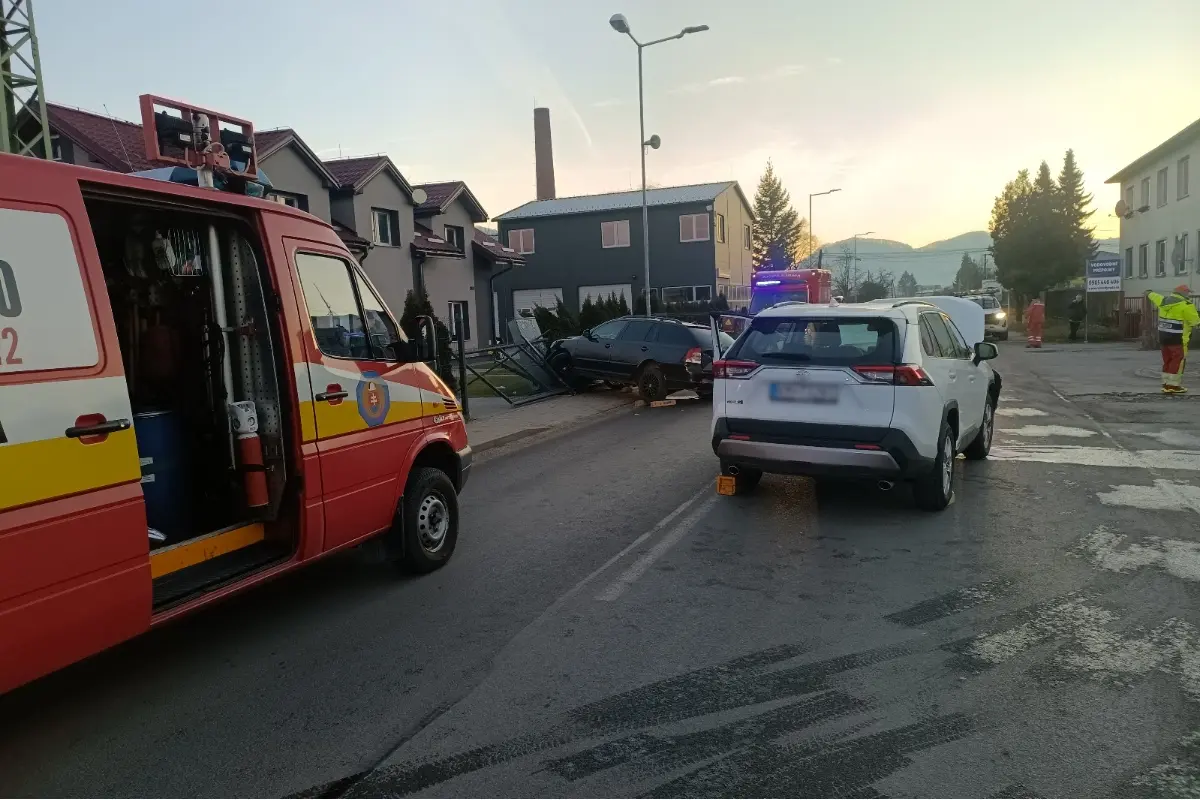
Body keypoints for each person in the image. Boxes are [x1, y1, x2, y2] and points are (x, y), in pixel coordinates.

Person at [1148, 285, 1200, 394]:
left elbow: (1153, 296)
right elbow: (1195, 322)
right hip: (1178, 338)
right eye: (1187, 293)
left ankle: (1166, 384)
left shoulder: (1163, 300)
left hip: (1163, 337)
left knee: (1168, 360)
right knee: (1178, 361)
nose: (1188, 295)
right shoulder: (1186, 305)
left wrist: (1148, 292)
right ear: (1184, 293)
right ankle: (1173, 386)